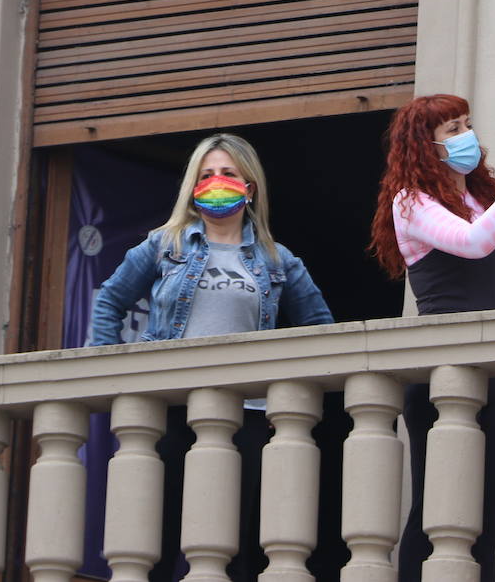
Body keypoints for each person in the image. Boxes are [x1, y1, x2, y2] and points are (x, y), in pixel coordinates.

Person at [88, 132, 334, 582]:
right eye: (206, 175)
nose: (216, 182)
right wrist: (109, 372)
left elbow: (320, 327)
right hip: (171, 408)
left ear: (249, 187)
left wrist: (283, 384)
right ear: (192, 184)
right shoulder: (166, 245)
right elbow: (110, 301)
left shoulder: (278, 260)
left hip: (249, 417)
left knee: (235, 539)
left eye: (227, 174)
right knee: (157, 536)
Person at [368, 94, 495, 582]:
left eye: (467, 124)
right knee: (440, 505)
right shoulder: (411, 201)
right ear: (425, 145)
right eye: (451, 129)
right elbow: (473, 242)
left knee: (489, 504)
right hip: (444, 370)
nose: (466, 135)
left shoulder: (483, 200)